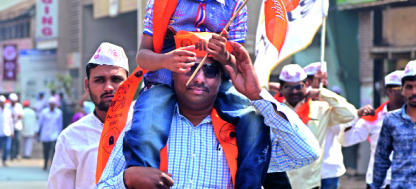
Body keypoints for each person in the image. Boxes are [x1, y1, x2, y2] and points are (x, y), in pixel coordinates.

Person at [125, 0, 270, 184]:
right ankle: (142, 178)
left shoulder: (234, 3)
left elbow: (234, 65)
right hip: (165, 80)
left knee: (253, 121)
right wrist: (166, 60)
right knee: (146, 124)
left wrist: (223, 54)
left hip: (214, 81)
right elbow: (142, 57)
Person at [97, 39, 321, 189]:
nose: (199, 78)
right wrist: (127, 180)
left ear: (222, 78)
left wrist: (256, 95)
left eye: (211, 70)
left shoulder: (245, 133)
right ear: (172, 74)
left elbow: (307, 153)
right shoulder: (145, 128)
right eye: (189, 68)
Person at [47, 43, 132, 189]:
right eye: (99, 80)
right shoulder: (71, 137)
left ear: (129, 84)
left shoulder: (146, 126)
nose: (108, 87)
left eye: (116, 79)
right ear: (87, 86)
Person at [279, 64, 357, 189]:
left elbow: (350, 114)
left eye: (299, 86)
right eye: (288, 87)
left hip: (311, 183)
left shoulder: (320, 109)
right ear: (281, 88)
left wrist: (321, 93)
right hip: (283, 183)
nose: (294, 91)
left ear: (307, 85)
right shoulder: (276, 111)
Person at [340, 70, 405, 189]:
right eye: (404, 88)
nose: (410, 92)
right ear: (390, 91)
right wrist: (355, 116)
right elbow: (346, 141)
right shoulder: (374, 118)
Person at [371, 62, 416, 189]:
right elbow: (381, 159)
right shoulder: (391, 119)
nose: (414, 92)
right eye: (409, 87)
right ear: (402, 90)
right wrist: (375, 185)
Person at [37, 96, 62, 170]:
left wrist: (60, 134)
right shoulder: (44, 112)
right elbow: (39, 122)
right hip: (45, 134)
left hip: (55, 134)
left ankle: (52, 165)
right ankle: (45, 163)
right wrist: (36, 131)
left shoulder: (59, 112)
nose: (52, 105)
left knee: (54, 150)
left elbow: (60, 124)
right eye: (51, 104)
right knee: (46, 150)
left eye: (53, 104)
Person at [0, 95, 14, 166]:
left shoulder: (8, 111)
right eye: (1, 102)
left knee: (7, 147)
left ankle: (4, 160)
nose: (2, 104)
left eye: (3, 102)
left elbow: (10, 122)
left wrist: (12, 131)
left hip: (7, 132)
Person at [7, 93, 23, 160]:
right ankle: (11, 155)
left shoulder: (19, 106)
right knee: (11, 142)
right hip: (9, 127)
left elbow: (21, 115)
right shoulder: (7, 106)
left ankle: (17, 154)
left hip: (17, 126)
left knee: (17, 141)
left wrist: (15, 115)